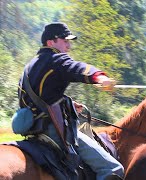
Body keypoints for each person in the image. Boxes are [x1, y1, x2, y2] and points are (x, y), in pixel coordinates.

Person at [17, 22, 124, 180]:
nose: (68, 46)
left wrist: (68, 103)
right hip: (53, 131)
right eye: (65, 41)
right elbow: (77, 68)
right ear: (51, 42)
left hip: (32, 130)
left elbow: (40, 97)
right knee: (113, 168)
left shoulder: (29, 66)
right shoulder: (56, 59)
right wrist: (100, 77)